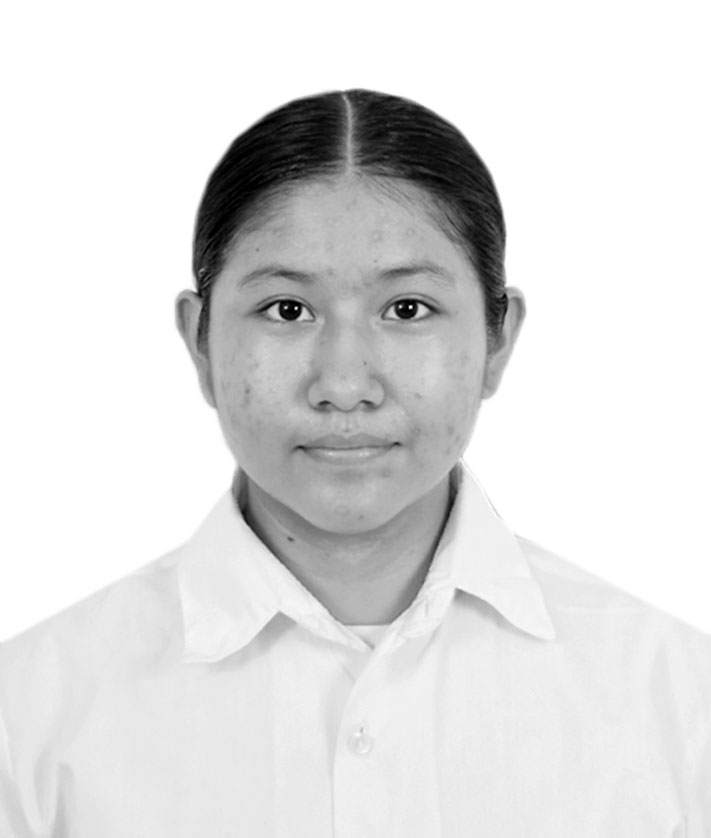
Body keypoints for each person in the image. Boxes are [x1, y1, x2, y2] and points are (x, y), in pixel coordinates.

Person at [0, 89, 708, 837]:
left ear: (497, 340)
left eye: (407, 309)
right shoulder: (31, 719)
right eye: (287, 309)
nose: (343, 384)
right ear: (199, 341)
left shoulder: (677, 707)